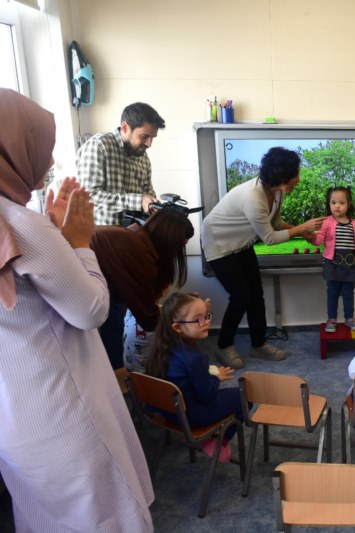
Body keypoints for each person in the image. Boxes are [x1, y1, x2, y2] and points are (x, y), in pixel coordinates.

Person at [0, 89, 153, 531]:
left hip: (15, 415)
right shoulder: (19, 224)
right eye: (42, 150)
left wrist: (54, 234)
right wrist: (80, 243)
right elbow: (91, 310)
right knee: (101, 514)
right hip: (63, 409)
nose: (47, 164)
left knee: (42, 514)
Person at [200, 147, 324, 369]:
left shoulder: (277, 191)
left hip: (241, 243)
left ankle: (258, 345)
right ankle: (224, 345)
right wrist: (302, 227)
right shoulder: (253, 196)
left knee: (256, 294)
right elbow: (269, 238)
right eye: (297, 173)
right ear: (284, 176)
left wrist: (300, 231)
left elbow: (275, 224)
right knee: (241, 296)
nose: (299, 178)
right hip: (218, 242)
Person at [144, 292, 243, 462]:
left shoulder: (160, 349)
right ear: (178, 327)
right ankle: (217, 440)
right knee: (244, 396)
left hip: (168, 414)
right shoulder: (194, 359)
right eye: (199, 319)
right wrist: (215, 378)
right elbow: (208, 395)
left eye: (207, 316)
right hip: (192, 417)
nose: (206, 322)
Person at [91, 207, 194, 369]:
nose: (182, 248)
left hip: (100, 288)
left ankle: (117, 372)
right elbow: (148, 316)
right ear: (170, 239)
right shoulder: (136, 252)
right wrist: (184, 327)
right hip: (77, 287)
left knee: (114, 327)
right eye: (182, 243)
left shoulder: (134, 238)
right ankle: (118, 375)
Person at [77, 102, 165, 225]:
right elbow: (89, 196)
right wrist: (138, 201)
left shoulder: (143, 156)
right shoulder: (98, 146)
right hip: (100, 239)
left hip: (133, 237)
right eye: (144, 136)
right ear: (125, 128)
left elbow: (148, 194)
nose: (149, 144)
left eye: (152, 138)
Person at [306, 186, 355, 333]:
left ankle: (349, 318)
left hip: (350, 265)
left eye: (341, 203)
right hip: (332, 264)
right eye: (333, 202)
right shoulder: (327, 222)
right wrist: (311, 239)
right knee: (333, 293)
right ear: (329, 204)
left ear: (348, 204)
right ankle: (331, 319)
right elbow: (319, 241)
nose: (337, 206)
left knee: (348, 293)